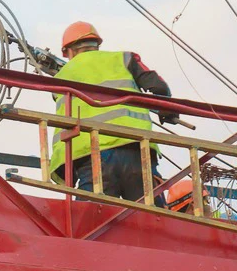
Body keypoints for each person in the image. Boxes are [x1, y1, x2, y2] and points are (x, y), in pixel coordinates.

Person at [50, 21, 178, 203]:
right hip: (135, 149)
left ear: (68, 51)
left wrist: (64, 171)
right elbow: (158, 86)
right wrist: (168, 111)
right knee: (153, 221)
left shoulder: (60, 78)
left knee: (92, 223)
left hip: (91, 157)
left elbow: (63, 123)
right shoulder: (123, 59)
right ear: (96, 44)